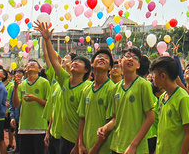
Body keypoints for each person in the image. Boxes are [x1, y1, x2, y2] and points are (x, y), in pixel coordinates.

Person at [36, 20, 92, 154]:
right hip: (64, 138)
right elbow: (53, 60)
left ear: (86, 71)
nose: (75, 63)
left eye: (80, 62)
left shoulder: (88, 87)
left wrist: (79, 143)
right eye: (74, 61)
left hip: (79, 140)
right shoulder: (64, 81)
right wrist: (47, 40)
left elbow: (83, 118)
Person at [98, 47, 155, 154]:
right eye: (127, 56)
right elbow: (115, 119)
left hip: (136, 149)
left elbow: (150, 118)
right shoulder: (115, 88)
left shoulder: (144, 85)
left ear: (138, 65)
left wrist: (133, 145)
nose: (130, 59)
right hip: (117, 145)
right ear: (120, 61)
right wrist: (105, 127)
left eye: (134, 58)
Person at [150, 56, 189, 154]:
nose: (153, 77)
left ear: (163, 76)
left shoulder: (183, 98)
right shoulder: (162, 97)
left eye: (155, 74)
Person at [74, 48, 115, 154]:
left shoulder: (112, 89)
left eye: (106, 58)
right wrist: (79, 144)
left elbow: (110, 122)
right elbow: (82, 119)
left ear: (110, 67)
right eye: (99, 56)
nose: (102, 58)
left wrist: (96, 148)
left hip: (103, 149)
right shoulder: (86, 89)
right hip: (85, 148)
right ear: (92, 64)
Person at [13, 59, 50, 154]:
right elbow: (16, 104)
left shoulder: (44, 82)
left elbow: (49, 104)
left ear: (39, 70)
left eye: (35, 64)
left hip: (40, 127)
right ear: (25, 69)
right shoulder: (21, 84)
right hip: (24, 127)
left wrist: (35, 99)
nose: (32, 64)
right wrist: (16, 87)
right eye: (29, 64)